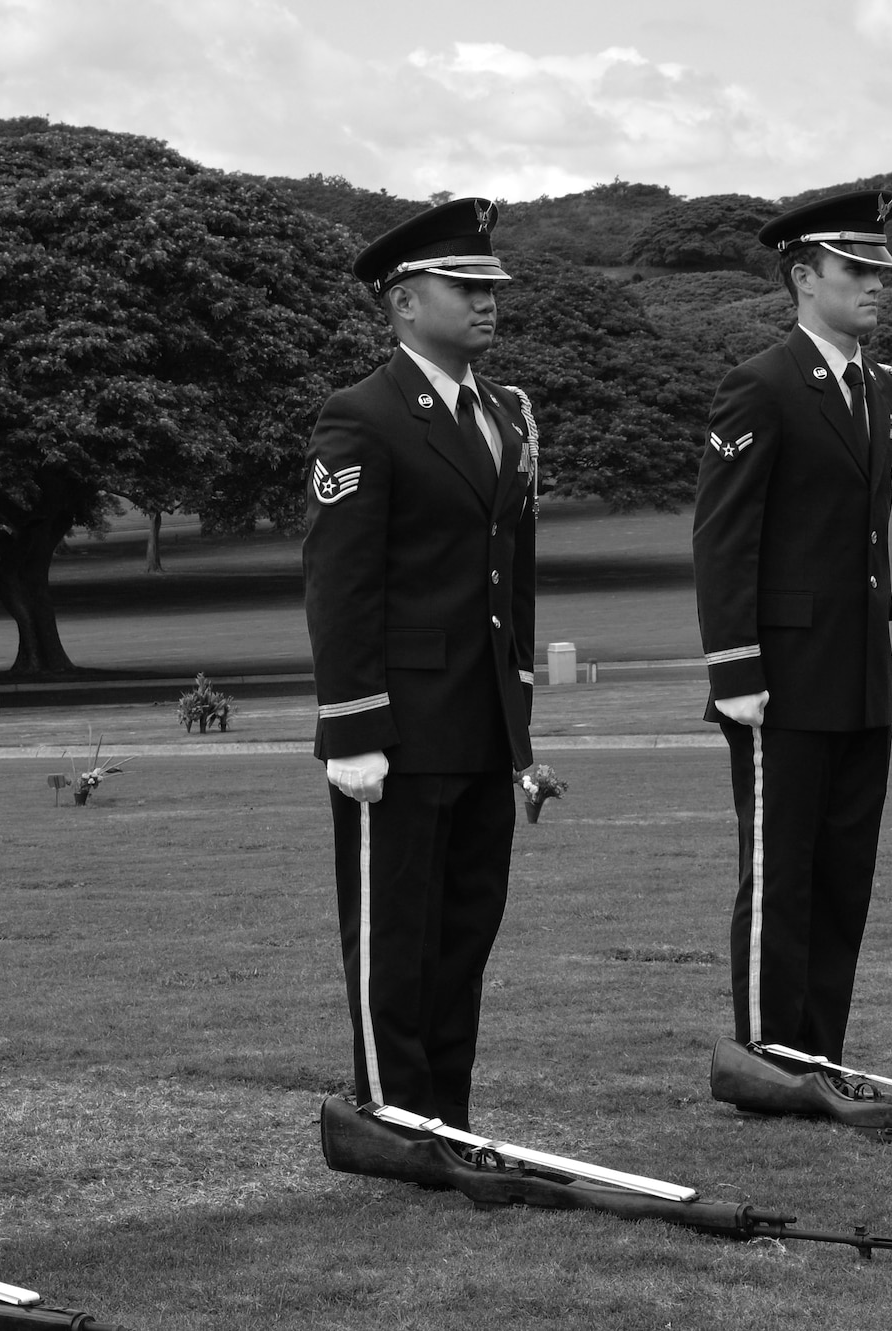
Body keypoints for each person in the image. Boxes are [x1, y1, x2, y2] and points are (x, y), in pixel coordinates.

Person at [302, 197, 538, 1131]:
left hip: (477, 723)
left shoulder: (501, 415)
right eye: (464, 285)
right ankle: (393, 1115)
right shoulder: (362, 415)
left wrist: (517, 725)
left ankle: (448, 1113)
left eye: (492, 286)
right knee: (394, 934)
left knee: (465, 929)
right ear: (403, 301)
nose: (487, 301)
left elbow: (509, 580)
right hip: (396, 725)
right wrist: (353, 727)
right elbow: (341, 582)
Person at [692, 190, 892, 1072]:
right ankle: (769, 1055)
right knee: (780, 875)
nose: (875, 285)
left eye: (881, 270)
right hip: (778, 677)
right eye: (856, 270)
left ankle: (822, 1055)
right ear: (803, 277)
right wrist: (735, 668)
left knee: (841, 876)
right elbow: (723, 535)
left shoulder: (881, 390)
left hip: (859, 671)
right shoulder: (763, 383)